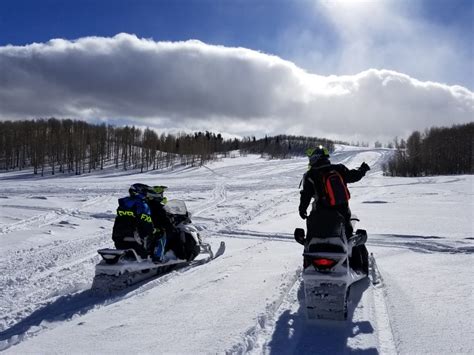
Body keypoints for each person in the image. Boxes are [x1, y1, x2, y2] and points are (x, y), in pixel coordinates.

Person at [299, 146, 370, 240]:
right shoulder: (339, 169)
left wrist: (302, 209)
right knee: (348, 235)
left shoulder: (310, 175)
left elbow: (306, 195)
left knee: (313, 233)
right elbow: (353, 176)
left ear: (314, 158)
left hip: (321, 212)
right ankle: (349, 245)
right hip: (342, 210)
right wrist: (362, 170)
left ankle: (310, 244)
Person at [111, 183, 163, 261]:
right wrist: (154, 230)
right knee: (160, 234)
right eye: (145, 192)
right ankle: (157, 258)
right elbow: (146, 222)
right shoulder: (142, 204)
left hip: (119, 237)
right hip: (138, 241)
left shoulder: (124, 203)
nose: (147, 194)